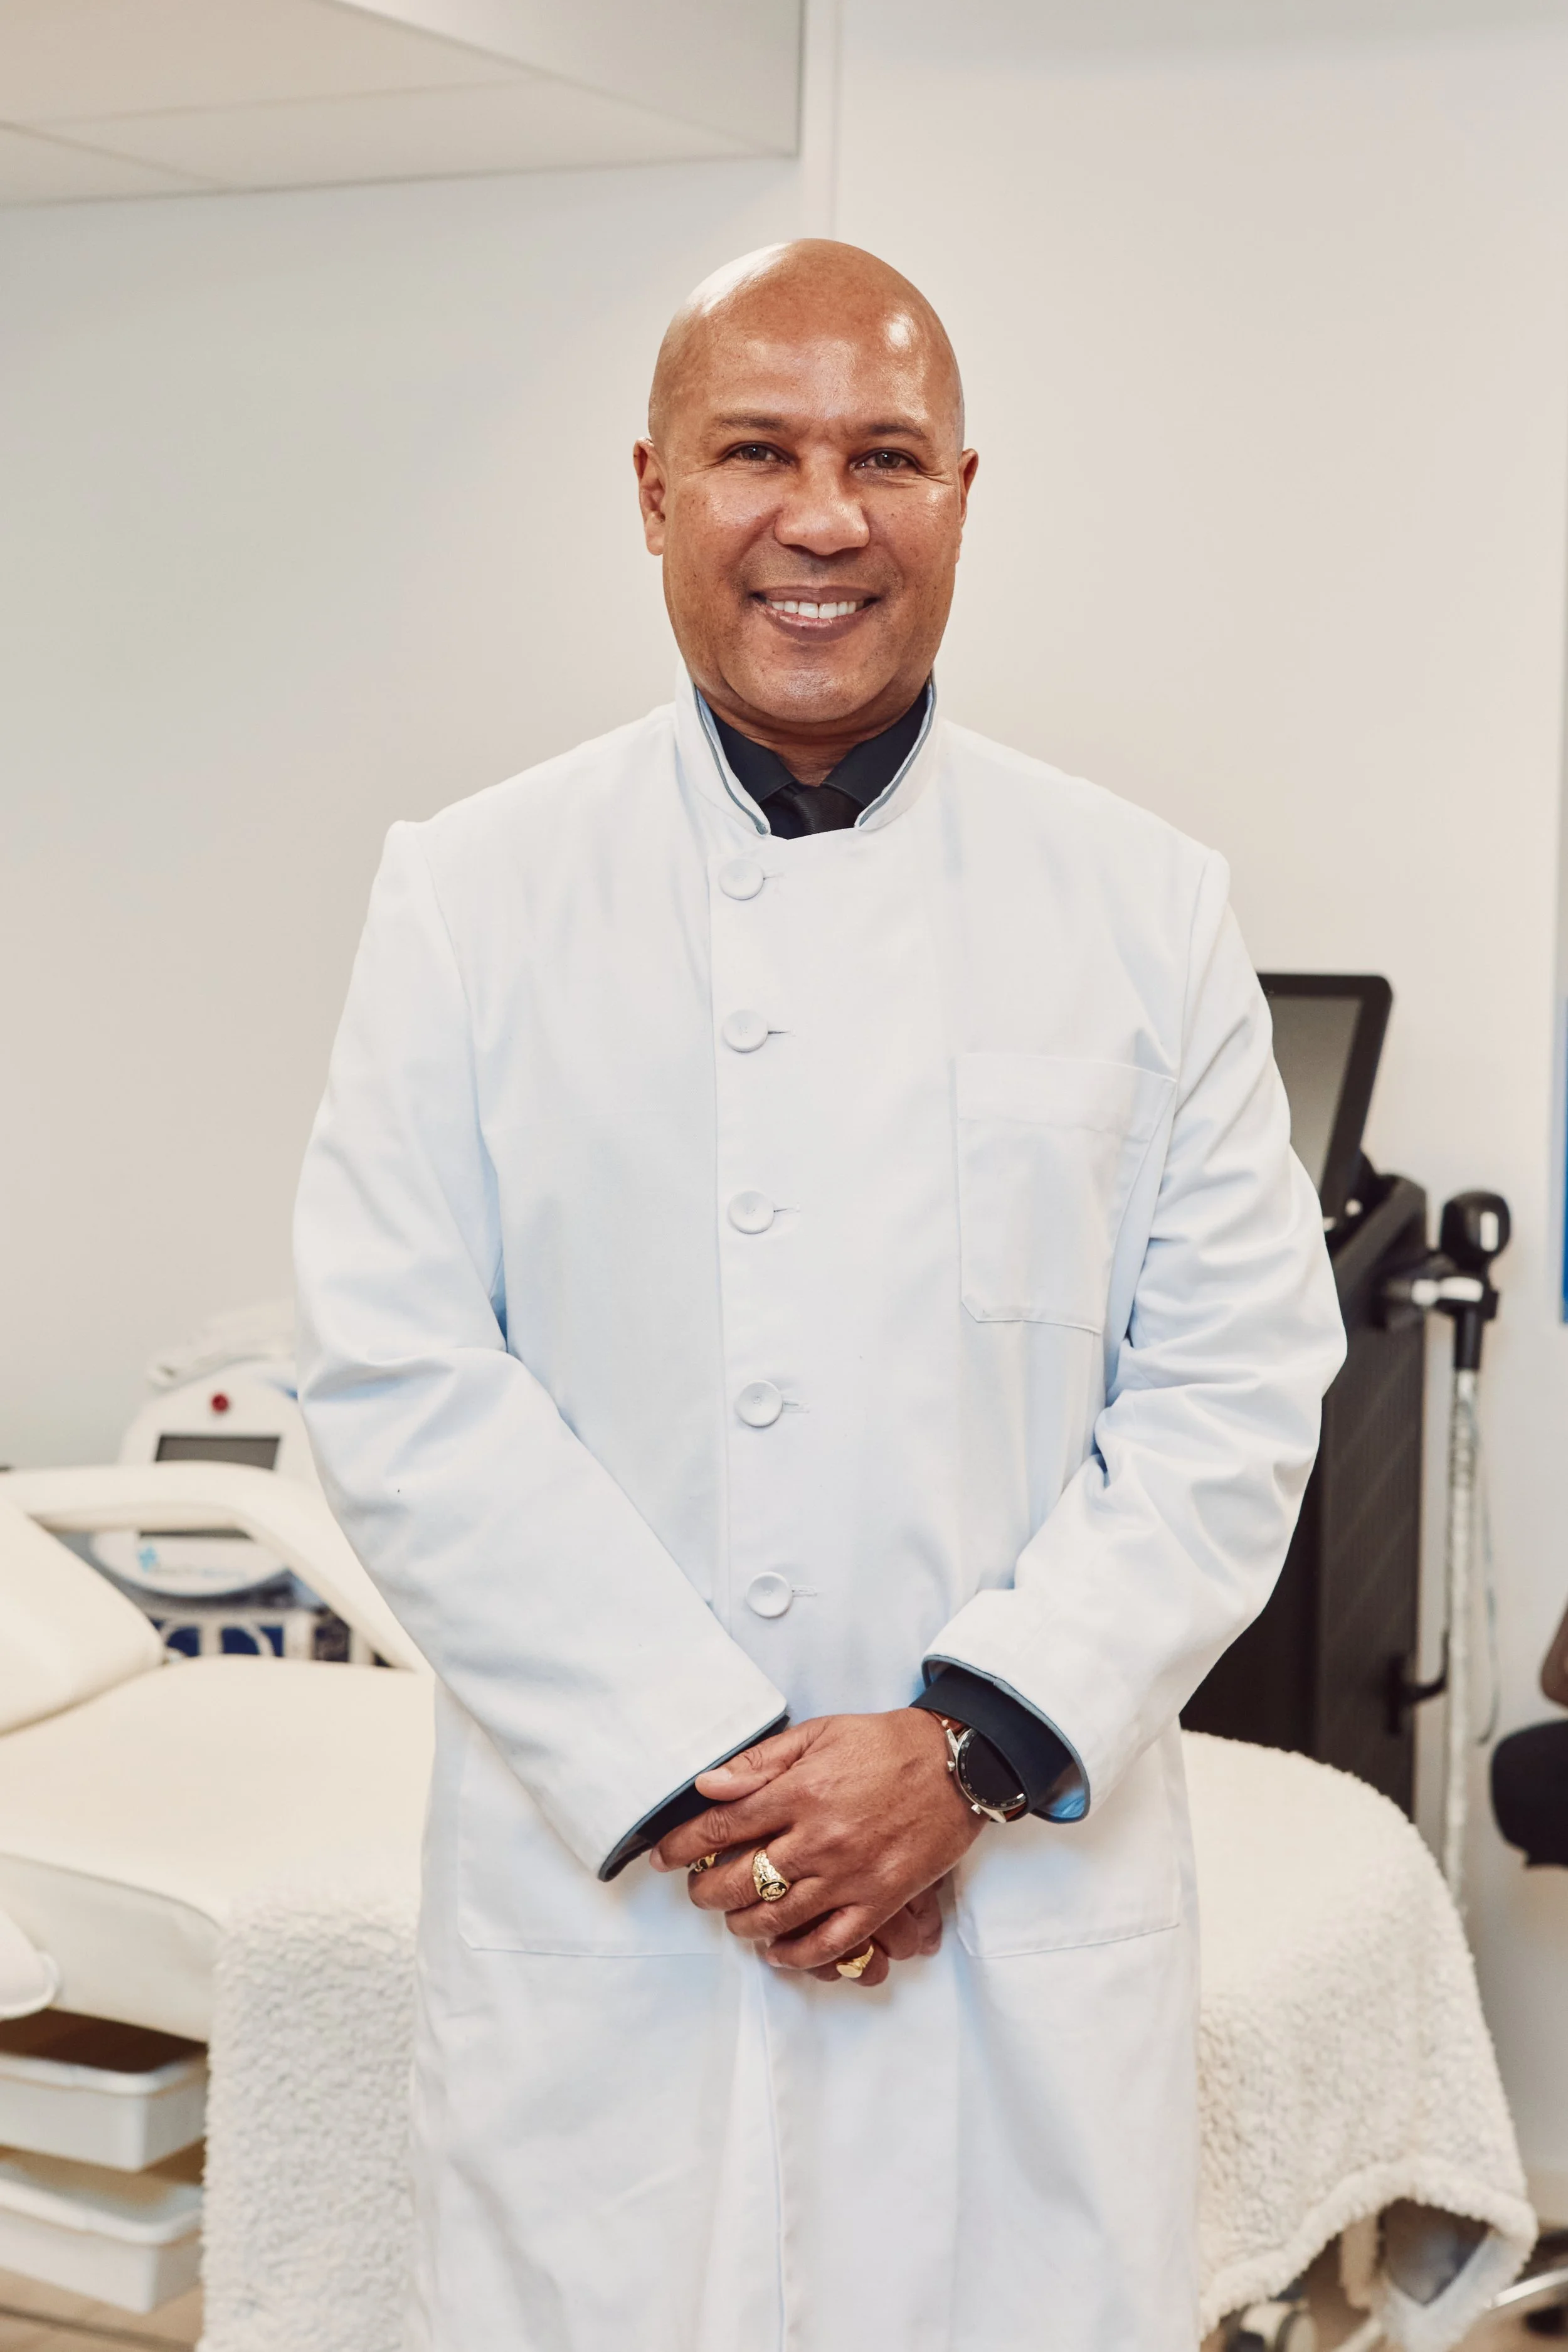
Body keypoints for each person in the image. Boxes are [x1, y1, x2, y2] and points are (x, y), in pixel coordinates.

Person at [294, 239, 1345, 2352]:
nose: (823, 515)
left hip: (1014, 1926)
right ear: (652, 491)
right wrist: (722, 1782)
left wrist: (963, 1751)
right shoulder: (474, 894)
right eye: (753, 451)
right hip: (619, 1929)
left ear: (962, 491)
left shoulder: (1140, 905)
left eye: (883, 455)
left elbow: (1233, 1389)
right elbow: (396, 1374)